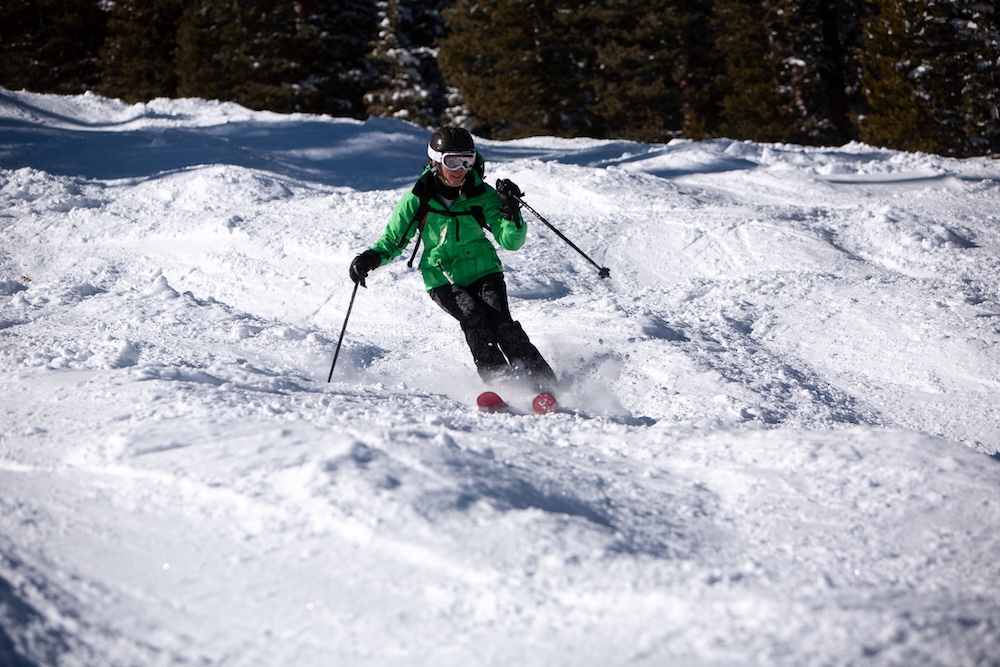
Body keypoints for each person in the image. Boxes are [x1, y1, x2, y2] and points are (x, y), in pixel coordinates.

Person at [349, 126, 557, 391]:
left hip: (484, 272)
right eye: (452, 161)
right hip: (442, 277)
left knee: (502, 324)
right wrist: (370, 258)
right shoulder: (418, 198)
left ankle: (542, 382)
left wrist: (510, 211)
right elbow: (394, 239)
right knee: (473, 318)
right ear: (436, 161)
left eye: (467, 161)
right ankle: (503, 384)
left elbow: (510, 242)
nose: (460, 169)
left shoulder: (481, 195)